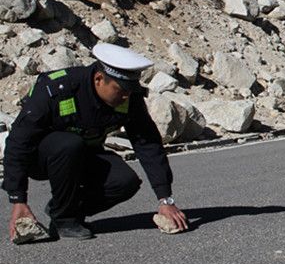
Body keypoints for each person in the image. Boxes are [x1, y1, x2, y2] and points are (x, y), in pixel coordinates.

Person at [3, 43, 188, 241]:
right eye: (120, 90)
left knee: (125, 181)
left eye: (129, 91)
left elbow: (148, 143)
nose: (126, 96)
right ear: (99, 79)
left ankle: (62, 209)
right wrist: (18, 200)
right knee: (69, 144)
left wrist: (165, 199)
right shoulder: (56, 88)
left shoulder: (127, 97)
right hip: (41, 159)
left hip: (82, 154)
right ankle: (65, 219)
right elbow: (18, 143)